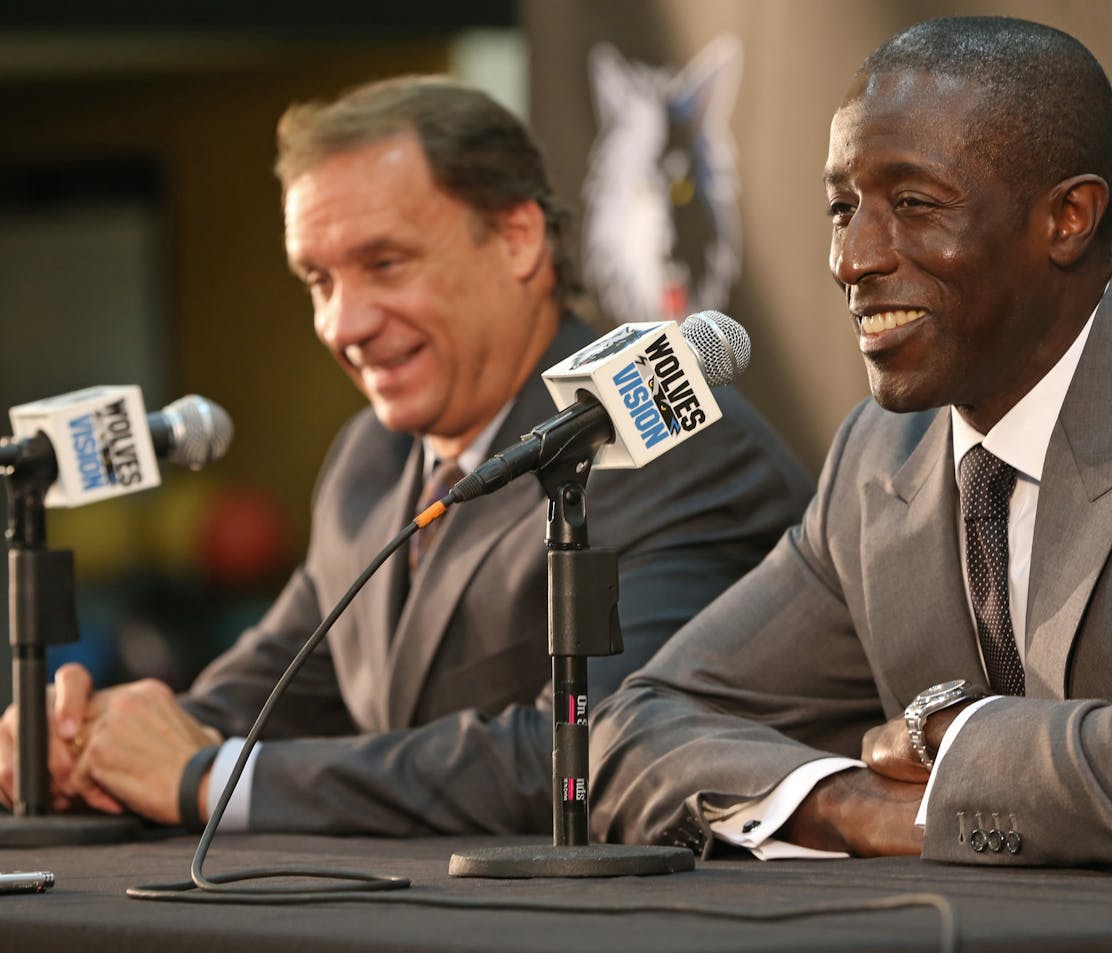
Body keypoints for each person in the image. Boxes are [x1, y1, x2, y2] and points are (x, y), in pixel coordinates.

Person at [589, 16, 1112, 882]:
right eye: (843, 208)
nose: (851, 257)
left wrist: (950, 747)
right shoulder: (883, 457)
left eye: (913, 204)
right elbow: (637, 726)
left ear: (1068, 218)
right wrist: (857, 805)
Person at [0, 76, 812, 835]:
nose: (343, 324)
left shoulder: (671, 445)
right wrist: (100, 737)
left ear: (517, 237)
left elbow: (598, 750)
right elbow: (282, 683)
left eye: (384, 264)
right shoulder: (372, 455)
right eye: (318, 279)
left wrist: (208, 778)